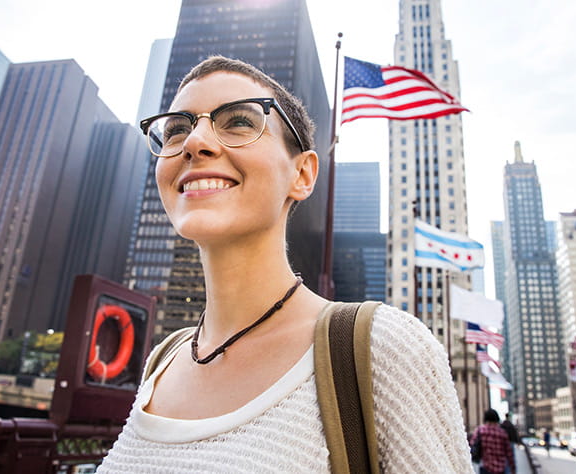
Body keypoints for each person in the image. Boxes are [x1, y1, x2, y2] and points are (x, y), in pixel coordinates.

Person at [96, 56, 472, 473]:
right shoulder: (161, 360)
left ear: (303, 174)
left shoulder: (383, 347)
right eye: (176, 129)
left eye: (238, 121)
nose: (194, 142)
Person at [469, 409, 515, 474]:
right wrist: (513, 469)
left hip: (485, 468)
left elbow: (472, 444)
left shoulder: (480, 431)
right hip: (500, 469)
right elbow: (509, 453)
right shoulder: (502, 433)